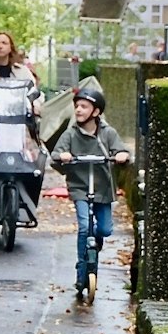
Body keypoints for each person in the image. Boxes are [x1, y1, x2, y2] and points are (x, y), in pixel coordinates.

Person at [51, 85, 131, 298]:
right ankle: (81, 269)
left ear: (96, 112)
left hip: (103, 188)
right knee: (85, 227)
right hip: (80, 187)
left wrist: (122, 155)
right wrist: (63, 157)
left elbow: (122, 151)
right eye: (77, 106)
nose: (78, 110)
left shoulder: (108, 133)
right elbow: (56, 156)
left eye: (84, 107)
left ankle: (95, 242)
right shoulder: (71, 134)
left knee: (104, 229)